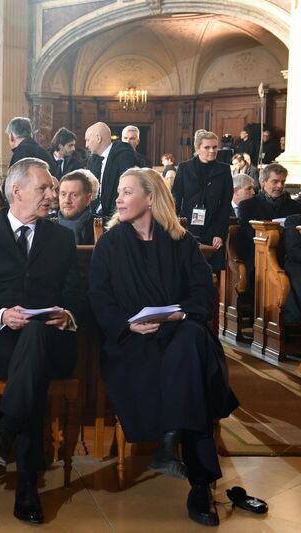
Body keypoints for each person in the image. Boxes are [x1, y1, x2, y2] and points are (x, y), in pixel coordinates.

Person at [88, 167, 239, 526]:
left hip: (177, 335)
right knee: (193, 369)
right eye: (119, 193)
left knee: (189, 341)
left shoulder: (181, 241)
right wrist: (128, 324)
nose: (118, 200)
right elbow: (98, 299)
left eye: (127, 192)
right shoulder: (109, 244)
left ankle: (172, 441)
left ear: (151, 197)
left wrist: (176, 316)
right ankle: (199, 483)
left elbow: (204, 293)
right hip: (132, 343)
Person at [0, 158, 81, 524]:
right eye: (44, 188)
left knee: (38, 337)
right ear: (17, 191)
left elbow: (76, 294)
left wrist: (67, 315)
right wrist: (1, 315)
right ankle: (26, 487)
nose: (51, 195)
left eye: (52, 188)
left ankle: (5, 431)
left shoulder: (62, 237)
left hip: (51, 342)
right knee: (31, 372)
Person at [172, 130, 232, 272]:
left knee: (212, 270)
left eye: (215, 147)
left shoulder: (224, 170)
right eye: (207, 147)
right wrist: (176, 226)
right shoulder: (184, 168)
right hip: (187, 226)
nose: (212, 151)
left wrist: (220, 233)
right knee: (186, 268)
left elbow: (225, 205)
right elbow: (175, 199)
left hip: (213, 226)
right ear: (198, 148)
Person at [237, 163, 301, 286]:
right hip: (257, 258)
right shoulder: (247, 206)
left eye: (283, 182)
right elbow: (247, 235)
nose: (280, 186)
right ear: (263, 182)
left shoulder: (295, 206)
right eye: (275, 181)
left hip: (287, 257)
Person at [85, 122, 138, 218]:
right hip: (95, 216)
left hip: (117, 217)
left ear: (98, 138)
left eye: (88, 140)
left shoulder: (124, 156)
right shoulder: (93, 160)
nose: (86, 145)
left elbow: (130, 189)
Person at [58, 169, 99, 245]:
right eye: (63, 194)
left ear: (88, 199)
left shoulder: (103, 227)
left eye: (74, 195)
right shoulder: (44, 227)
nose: (67, 200)